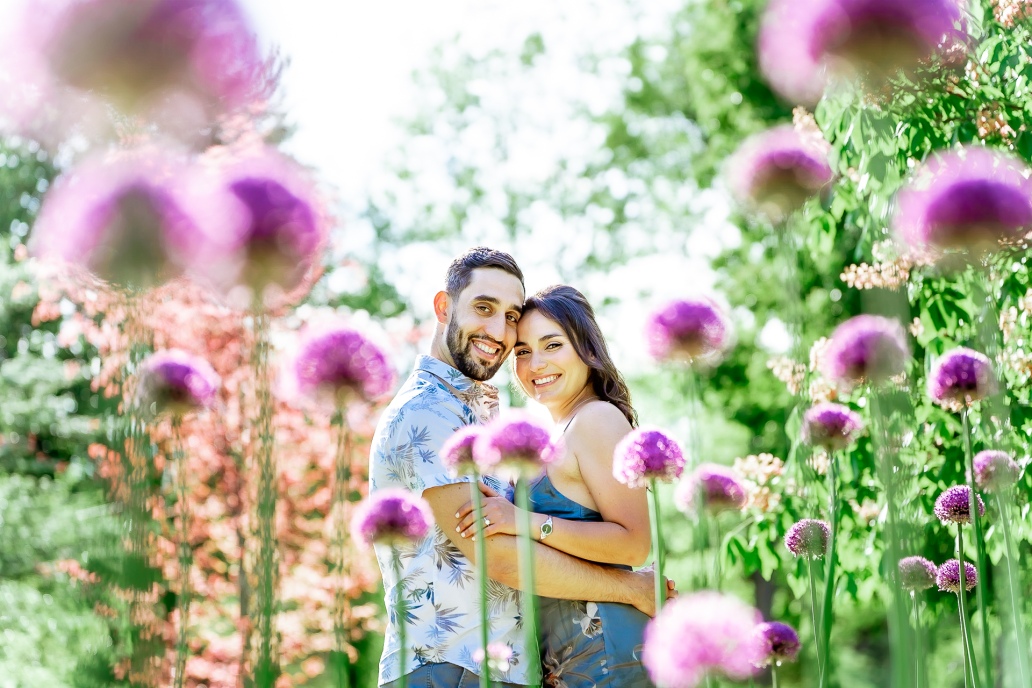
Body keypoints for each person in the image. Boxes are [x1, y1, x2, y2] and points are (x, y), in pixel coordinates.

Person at [368, 249, 665, 688]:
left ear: (586, 349)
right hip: (451, 665)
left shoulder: (493, 419)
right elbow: (499, 558)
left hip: (528, 664)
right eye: (484, 308)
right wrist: (630, 589)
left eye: (510, 316)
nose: (499, 332)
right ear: (443, 307)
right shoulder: (429, 414)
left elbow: (628, 542)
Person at [453, 284, 652, 687]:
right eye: (523, 351)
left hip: (608, 656)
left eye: (552, 345)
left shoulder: (598, 419)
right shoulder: (560, 433)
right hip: (569, 661)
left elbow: (634, 543)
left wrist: (524, 521)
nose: (536, 364)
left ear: (587, 348)